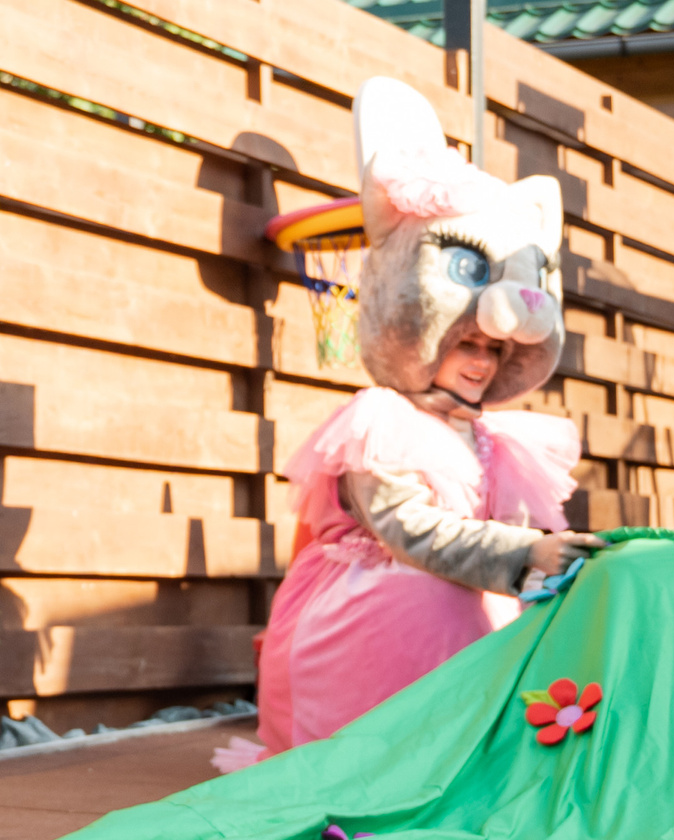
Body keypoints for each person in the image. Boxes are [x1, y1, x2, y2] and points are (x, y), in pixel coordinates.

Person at [255, 78, 603, 754]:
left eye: (492, 350)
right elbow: (409, 528)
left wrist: (540, 557)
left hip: (465, 592)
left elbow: (514, 530)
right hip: (372, 611)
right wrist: (521, 553)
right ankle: (376, 756)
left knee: (514, 615)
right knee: (422, 596)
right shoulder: (380, 421)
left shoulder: (493, 437)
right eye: (464, 344)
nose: (478, 363)